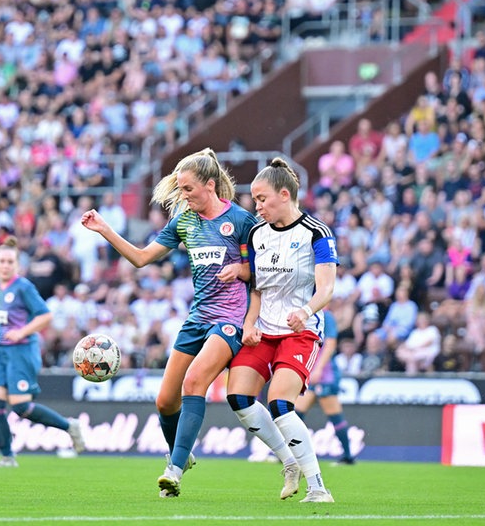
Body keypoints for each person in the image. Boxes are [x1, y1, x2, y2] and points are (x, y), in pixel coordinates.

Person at [80, 149, 259, 497]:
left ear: (210, 185)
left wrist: (240, 269)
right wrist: (105, 229)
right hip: (197, 317)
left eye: (189, 189)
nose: (184, 196)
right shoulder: (184, 222)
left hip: (230, 319)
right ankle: (183, 452)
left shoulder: (240, 220)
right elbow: (142, 258)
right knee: (164, 402)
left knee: (194, 382)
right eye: (180, 189)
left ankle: (173, 470)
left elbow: (259, 273)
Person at [228, 157, 338, 503]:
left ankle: (318, 486)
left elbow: (327, 288)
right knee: (239, 397)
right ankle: (288, 460)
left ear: (285, 194)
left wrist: (305, 311)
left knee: (280, 404)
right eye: (255, 200)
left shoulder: (316, 233)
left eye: (262, 199)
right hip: (265, 330)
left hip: (300, 331)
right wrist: (248, 324)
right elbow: (258, 289)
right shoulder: (258, 235)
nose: (256, 206)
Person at [0, 237, 86, 468]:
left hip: (22, 350)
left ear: (17, 265)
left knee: (21, 407)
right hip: (0, 353)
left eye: (10, 261)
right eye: (2, 261)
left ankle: (69, 426)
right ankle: (8, 457)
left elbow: (45, 316)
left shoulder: (24, 287)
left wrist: (22, 332)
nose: (6, 265)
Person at [295, 308, 356, 465]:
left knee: (334, 413)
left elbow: (330, 343)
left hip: (325, 374)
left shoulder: (326, 316)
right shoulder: (308, 315)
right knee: (296, 414)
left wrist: (319, 369)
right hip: (311, 372)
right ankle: (287, 454)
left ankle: (348, 456)